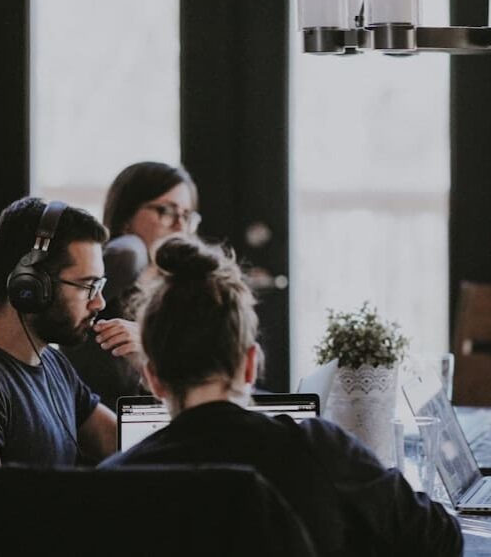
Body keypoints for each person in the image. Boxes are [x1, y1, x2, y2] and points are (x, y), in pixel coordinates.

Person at [100, 236, 462, 556]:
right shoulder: (320, 449)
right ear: (250, 364)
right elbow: (441, 540)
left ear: (153, 378)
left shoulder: (113, 483)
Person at [0, 198, 141, 554]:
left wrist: (151, 363)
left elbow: (124, 443)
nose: (99, 303)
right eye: (88, 286)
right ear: (29, 286)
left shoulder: (51, 364)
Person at [63, 162, 199, 411]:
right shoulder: (115, 268)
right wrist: (132, 246)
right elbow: (125, 252)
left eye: (187, 215)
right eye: (166, 211)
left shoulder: (185, 285)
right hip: (107, 419)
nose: (180, 226)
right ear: (127, 216)